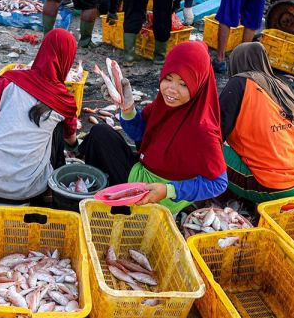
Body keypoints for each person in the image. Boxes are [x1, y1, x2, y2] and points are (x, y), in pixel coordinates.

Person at [79, 41, 227, 214]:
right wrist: (128, 109)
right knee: (100, 133)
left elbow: (219, 183)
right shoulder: (163, 105)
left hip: (160, 196)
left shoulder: (203, 129)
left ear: (198, 85)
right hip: (144, 171)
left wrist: (169, 190)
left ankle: (123, 211)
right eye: (168, 79)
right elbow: (141, 134)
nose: (172, 90)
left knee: (100, 143)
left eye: (183, 84)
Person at [0, 29, 79, 205]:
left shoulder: (8, 80)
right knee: (57, 128)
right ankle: (50, 193)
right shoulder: (65, 101)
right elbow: (70, 140)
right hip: (28, 190)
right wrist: (75, 147)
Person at [219, 42, 294, 201]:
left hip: (273, 186)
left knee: (204, 147)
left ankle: (218, 195)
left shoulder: (238, 83)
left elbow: (216, 131)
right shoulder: (280, 84)